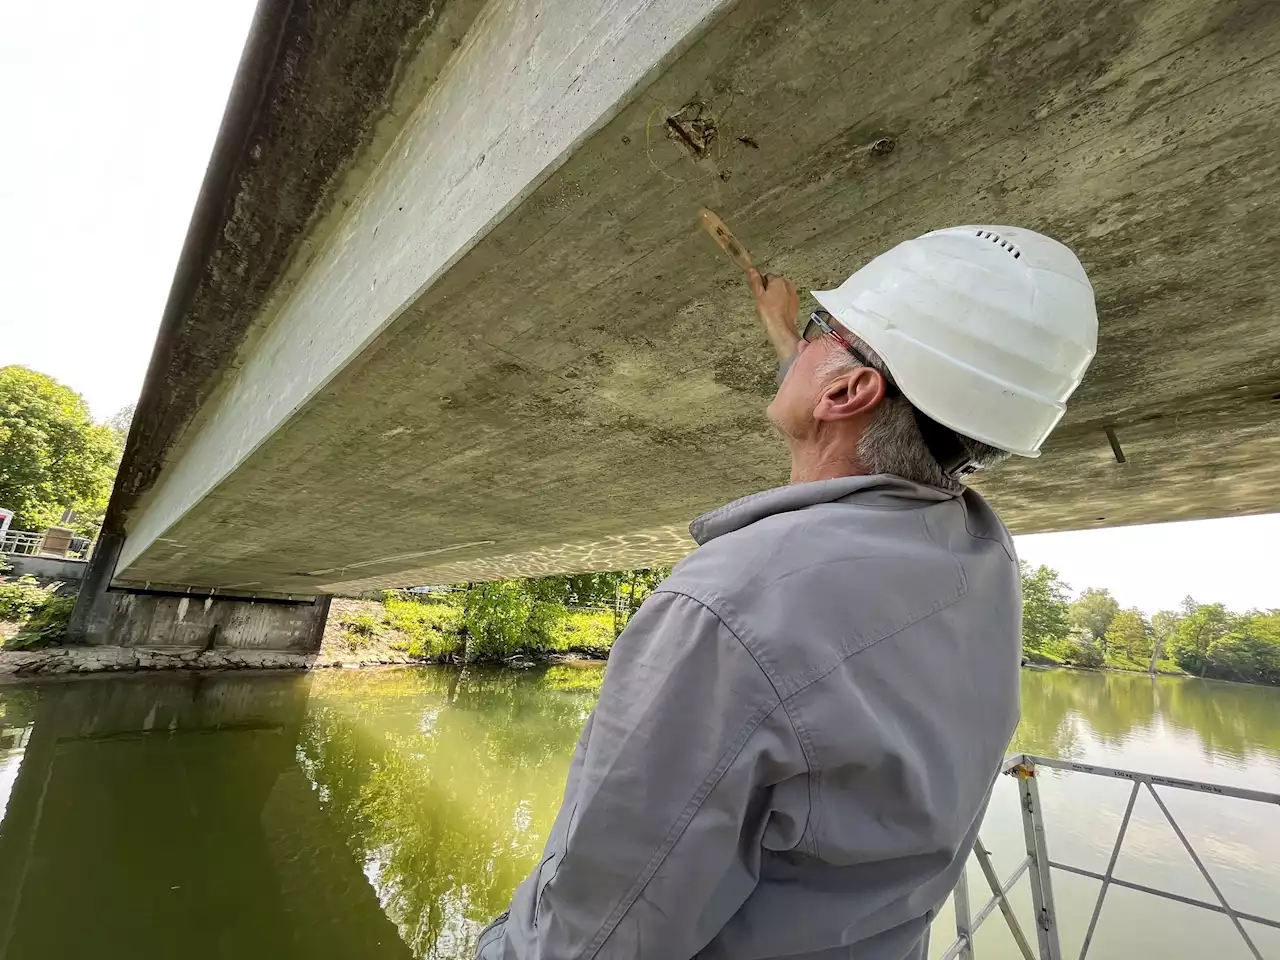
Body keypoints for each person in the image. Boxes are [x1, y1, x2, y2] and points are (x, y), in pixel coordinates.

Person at [476, 225, 1098, 960]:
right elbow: (863, 427)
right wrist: (789, 336)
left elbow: (600, 933)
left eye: (817, 331)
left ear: (845, 389)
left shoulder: (732, 607)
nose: (800, 343)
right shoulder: (978, 561)